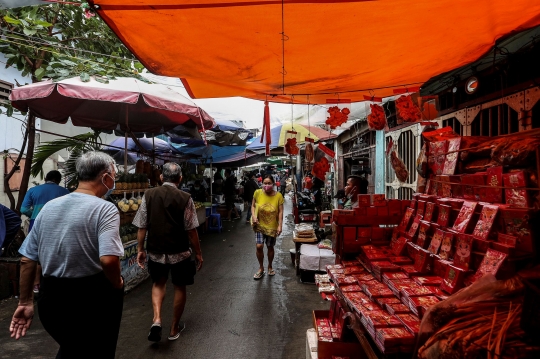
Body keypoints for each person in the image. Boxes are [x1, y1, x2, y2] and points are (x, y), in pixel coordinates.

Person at [10, 151, 124, 359]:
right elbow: (108, 259)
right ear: (105, 177)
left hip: (51, 299)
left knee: (73, 348)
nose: (114, 181)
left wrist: (25, 302)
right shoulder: (105, 209)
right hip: (92, 297)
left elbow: (27, 258)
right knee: (96, 351)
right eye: (114, 176)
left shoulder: (48, 208)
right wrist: (117, 283)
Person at [134, 162, 203, 343]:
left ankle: (157, 319)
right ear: (180, 179)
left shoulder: (148, 195)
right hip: (179, 251)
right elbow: (191, 229)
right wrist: (198, 253)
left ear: (161, 177)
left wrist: (140, 249)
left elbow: (142, 226)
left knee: (158, 283)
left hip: (156, 250)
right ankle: (173, 328)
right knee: (179, 286)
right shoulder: (185, 197)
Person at [21, 170, 70, 293]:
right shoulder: (65, 192)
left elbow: (23, 208)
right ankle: (57, 282)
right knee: (58, 252)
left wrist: (36, 215)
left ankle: (36, 284)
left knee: (37, 255)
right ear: (57, 180)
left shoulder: (33, 190)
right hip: (59, 225)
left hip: (36, 224)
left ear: (46, 178)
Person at [251, 175, 284, 280]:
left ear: (273, 184)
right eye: (265, 183)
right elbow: (253, 205)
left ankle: (270, 265)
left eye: (269, 183)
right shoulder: (257, 193)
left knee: (270, 247)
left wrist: (280, 225)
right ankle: (261, 268)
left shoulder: (278, 196)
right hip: (259, 225)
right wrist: (253, 216)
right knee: (259, 246)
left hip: (272, 226)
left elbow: (281, 211)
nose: (266, 185)